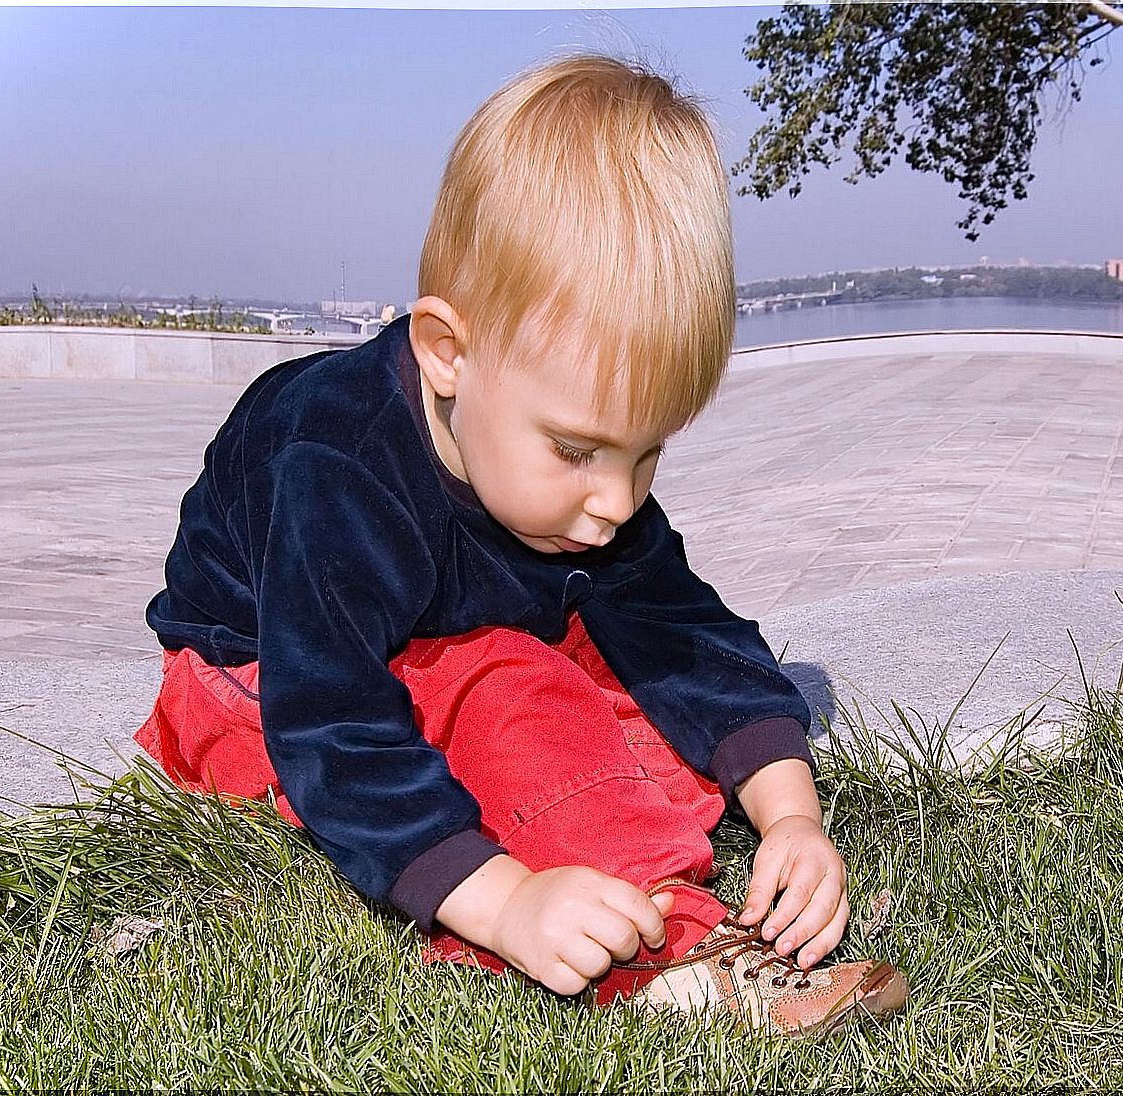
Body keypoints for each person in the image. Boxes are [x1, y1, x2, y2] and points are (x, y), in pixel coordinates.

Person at [134, 53, 907, 1039]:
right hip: (258, 687)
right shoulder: (336, 462)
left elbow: (685, 633)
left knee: (630, 662)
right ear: (448, 355)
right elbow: (329, 718)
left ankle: (609, 790)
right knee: (506, 687)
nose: (611, 501)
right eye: (578, 450)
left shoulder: (580, 491)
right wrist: (501, 901)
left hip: (418, 643)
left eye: (645, 452)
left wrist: (791, 813)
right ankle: (680, 955)